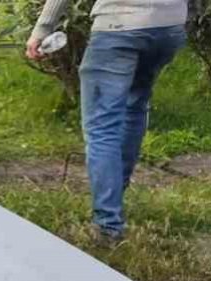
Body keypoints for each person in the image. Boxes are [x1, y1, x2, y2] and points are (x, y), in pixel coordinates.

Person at [27, 0, 188, 245]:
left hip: (119, 25)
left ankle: (108, 225)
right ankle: (113, 197)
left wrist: (42, 29)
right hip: (169, 26)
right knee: (134, 106)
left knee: (102, 127)